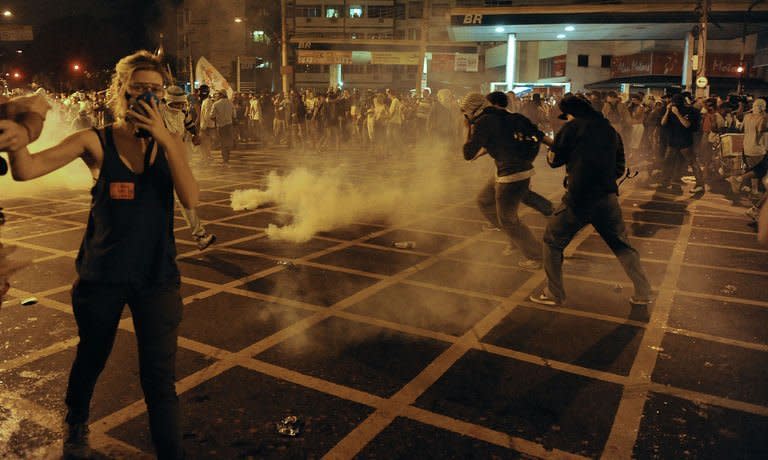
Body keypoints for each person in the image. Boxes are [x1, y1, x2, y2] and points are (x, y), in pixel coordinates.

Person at [7, 50, 198, 460]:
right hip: (101, 276)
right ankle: (76, 423)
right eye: (139, 89)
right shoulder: (95, 139)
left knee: (159, 379)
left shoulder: (171, 142)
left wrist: (165, 138)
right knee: (92, 355)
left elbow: (191, 197)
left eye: (156, 91)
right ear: (120, 91)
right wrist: (16, 141)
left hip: (157, 277)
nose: (148, 97)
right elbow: (27, 170)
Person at [530, 95, 652, 307]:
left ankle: (553, 293)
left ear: (571, 113)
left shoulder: (572, 128)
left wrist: (555, 150)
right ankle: (643, 291)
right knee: (622, 245)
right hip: (606, 197)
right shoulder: (610, 131)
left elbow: (554, 160)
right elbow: (619, 167)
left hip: (579, 198)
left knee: (552, 241)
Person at [460, 92, 548, 270]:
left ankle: (536, 255)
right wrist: (560, 148)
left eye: (465, 113)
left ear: (472, 110)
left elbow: (467, 153)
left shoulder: (483, 122)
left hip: (511, 175)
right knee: (484, 201)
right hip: (515, 170)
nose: (465, 116)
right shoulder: (509, 116)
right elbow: (537, 135)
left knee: (508, 219)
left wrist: (467, 128)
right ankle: (516, 238)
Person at [162, 86, 217, 250]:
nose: (179, 107)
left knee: (186, 199)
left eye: (181, 104)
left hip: (177, 162)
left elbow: (190, 125)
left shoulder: (183, 113)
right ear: (167, 102)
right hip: (158, 166)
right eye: (175, 105)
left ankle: (200, 236)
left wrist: (195, 135)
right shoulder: (157, 114)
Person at [659, 93, 703, 193]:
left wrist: (678, 114)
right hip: (672, 141)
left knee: (693, 163)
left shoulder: (689, 111)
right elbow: (663, 123)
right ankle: (665, 181)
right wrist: (667, 110)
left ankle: (700, 184)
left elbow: (687, 125)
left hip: (685, 142)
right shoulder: (670, 111)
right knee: (667, 162)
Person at [211, 90, 236, 164]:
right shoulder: (231, 103)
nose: (217, 96)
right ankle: (227, 158)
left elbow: (211, 116)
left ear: (221, 95)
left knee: (223, 142)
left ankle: (225, 159)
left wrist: (217, 120)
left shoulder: (216, 104)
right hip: (229, 125)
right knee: (228, 141)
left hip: (221, 126)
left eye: (218, 95)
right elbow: (234, 115)